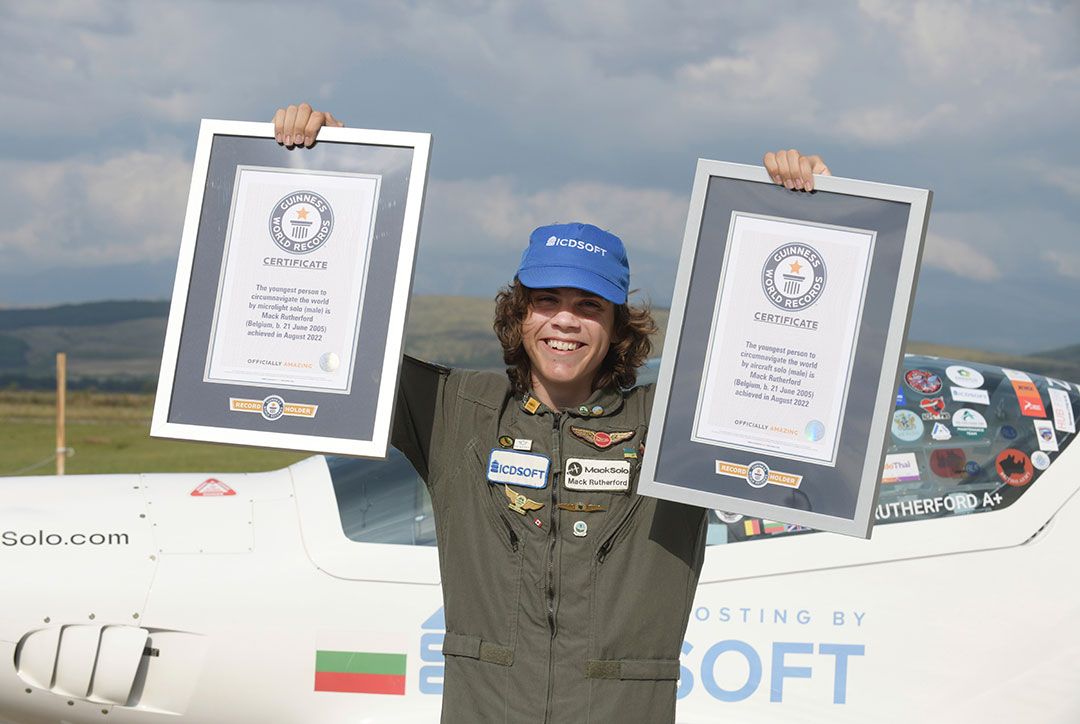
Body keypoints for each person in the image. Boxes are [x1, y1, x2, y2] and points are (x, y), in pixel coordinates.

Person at [274, 103, 829, 723]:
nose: (565, 320)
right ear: (520, 314)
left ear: (618, 326)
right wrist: (337, 170)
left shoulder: (678, 425)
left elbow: (793, 367)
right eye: (546, 300)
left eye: (589, 305)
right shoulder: (457, 411)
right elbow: (341, 331)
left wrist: (809, 213)